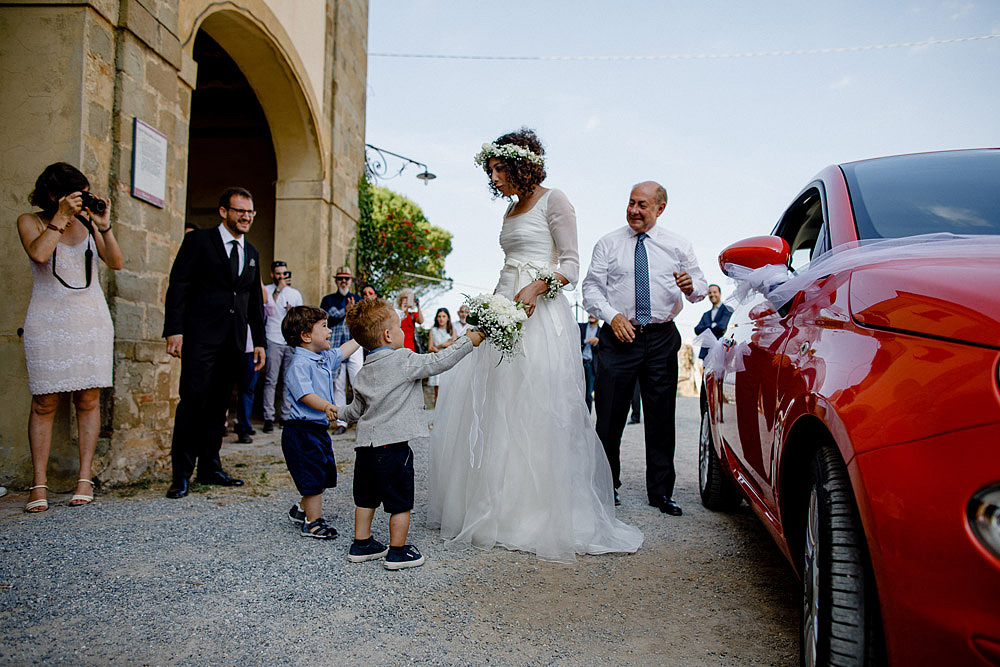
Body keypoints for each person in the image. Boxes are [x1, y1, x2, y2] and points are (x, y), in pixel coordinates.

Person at [427, 128, 643, 562]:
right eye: (490, 171)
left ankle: (539, 510)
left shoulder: (554, 199)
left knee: (536, 404)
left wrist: (538, 286)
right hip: (506, 307)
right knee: (497, 401)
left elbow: (572, 265)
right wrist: (490, 307)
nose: (494, 179)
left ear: (520, 164)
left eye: (499, 169)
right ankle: (498, 506)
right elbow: (508, 265)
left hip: (541, 315)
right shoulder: (509, 210)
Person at [582, 180, 707, 517]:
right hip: (618, 336)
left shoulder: (678, 245)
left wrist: (691, 285)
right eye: (631, 203)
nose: (634, 211)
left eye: (642, 205)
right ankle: (607, 487)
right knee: (608, 416)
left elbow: (700, 290)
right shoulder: (608, 243)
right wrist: (612, 316)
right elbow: (591, 290)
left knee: (661, 417)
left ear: (660, 208)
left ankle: (662, 492)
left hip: (662, 337)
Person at [337, 298, 485, 569]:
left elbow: (355, 410)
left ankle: (361, 544)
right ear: (388, 334)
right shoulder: (403, 360)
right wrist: (467, 341)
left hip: (365, 448)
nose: (404, 332)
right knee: (400, 502)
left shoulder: (363, 371)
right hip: (393, 448)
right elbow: (438, 361)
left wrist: (337, 412)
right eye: (400, 327)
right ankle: (397, 551)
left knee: (366, 498)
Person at [17, 162, 124, 512]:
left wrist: (104, 227)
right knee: (44, 402)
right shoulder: (31, 221)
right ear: (52, 194)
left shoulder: (89, 224)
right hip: (48, 318)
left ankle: (84, 477)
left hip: (90, 318)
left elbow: (116, 262)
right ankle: (39, 482)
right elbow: (39, 253)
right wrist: (60, 217)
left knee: (88, 400)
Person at [163, 186, 266, 499]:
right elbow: (178, 286)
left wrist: (258, 341)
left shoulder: (251, 252)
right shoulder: (199, 241)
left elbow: (252, 303)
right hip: (200, 337)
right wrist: (174, 330)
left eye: (250, 212)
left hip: (233, 342)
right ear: (224, 212)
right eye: (240, 211)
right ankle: (181, 474)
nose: (246, 217)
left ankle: (210, 466)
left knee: (219, 406)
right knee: (193, 401)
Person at [279, 306, 360, 538]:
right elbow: (305, 395)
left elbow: (344, 351)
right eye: (323, 327)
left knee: (322, 474)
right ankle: (312, 522)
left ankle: (301, 509)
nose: (329, 331)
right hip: (301, 430)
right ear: (306, 336)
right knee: (313, 476)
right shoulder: (300, 364)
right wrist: (326, 406)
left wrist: (361, 338)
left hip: (318, 430)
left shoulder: (322, 358)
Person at [320, 267, 362, 436]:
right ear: (336, 281)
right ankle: (341, 422)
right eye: (340, 279)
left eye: (347, 279)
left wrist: (351, 313)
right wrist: (345, 313)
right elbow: (325, 320)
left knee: (358, 382)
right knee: (337, 385)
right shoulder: (328, 300)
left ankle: (362, 418)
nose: (343, 282)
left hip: (354, 345)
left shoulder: (358, 299)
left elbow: (362, 322)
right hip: (335, 345)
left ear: (351, 281)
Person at [262, 261, 303, 433]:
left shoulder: (294, 294)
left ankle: (285, 416)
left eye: (284, 273)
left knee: (288, 381)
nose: (281, 276)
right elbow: (267, 309)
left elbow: (301, 317)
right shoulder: (268, 290)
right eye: (278, 273)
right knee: (271, 380)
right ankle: (268, 417)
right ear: (272, 274)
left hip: (290, 341)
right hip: (272, 338)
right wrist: (278, 290)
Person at [694, 284, 733, 359]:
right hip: (706, 353)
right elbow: (697, 329)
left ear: (720, 294)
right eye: (710, 293)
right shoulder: (706, 314)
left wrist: (706, 330)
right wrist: (712, 325)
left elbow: (722, 327)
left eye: (714, 292)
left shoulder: (727, 310)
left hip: (721, 351)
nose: (712, 294)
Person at [426, 307, 456, 403]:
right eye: (439, 316)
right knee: (437, 391)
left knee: (449, 390)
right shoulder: (433, 330)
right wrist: (441, 345)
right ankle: (436, 414)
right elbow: (430, 348)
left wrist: (449, 345)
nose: (441, 319)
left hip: (449, 361)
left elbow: (455, 346)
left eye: (444, 316)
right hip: (438, 361)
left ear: (448, 318)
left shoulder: (452, 330)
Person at [580, 315, 600, 413]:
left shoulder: (600, 332)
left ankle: (586, 416)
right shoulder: (581, 327)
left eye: (594, 314)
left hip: (590, 365)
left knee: (588, 393)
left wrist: (596, 343)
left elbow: (602, 349)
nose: (591, 315)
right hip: (579, 363)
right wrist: (586, 341)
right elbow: (574, 340)